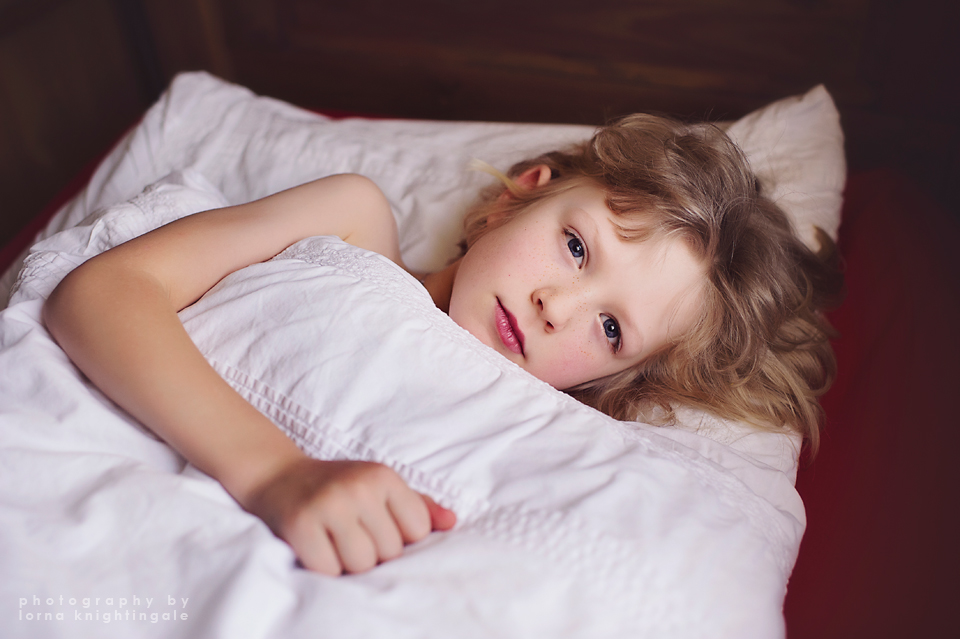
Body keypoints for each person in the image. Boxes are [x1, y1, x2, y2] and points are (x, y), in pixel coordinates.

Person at [41, 113, 842, 577]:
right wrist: (276, 471)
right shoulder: (353, 223)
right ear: (518, 196)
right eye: (575, 246)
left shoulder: (556, 438)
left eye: (609, 328)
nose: (555, 308)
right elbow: (103, 294)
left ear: (620, 378)